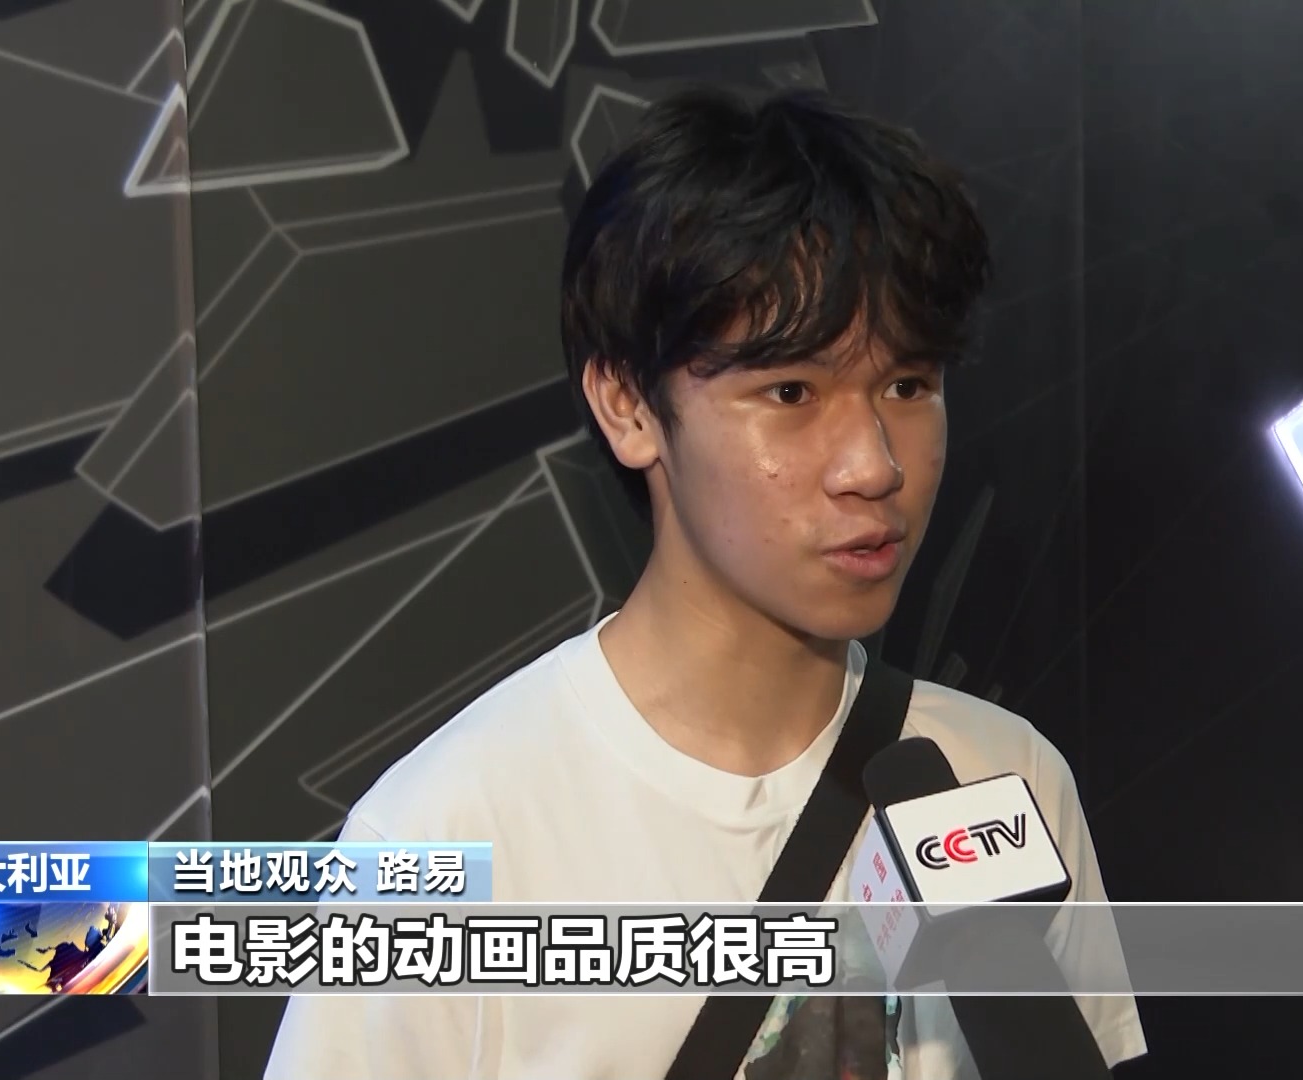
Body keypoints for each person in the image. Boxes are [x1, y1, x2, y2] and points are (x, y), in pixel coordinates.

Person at [265, 85, 1147, 1079]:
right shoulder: (448, 838)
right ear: (629, 406)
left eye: (909, 386)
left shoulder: (1005, 780)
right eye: (791, 391)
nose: (873, 465)